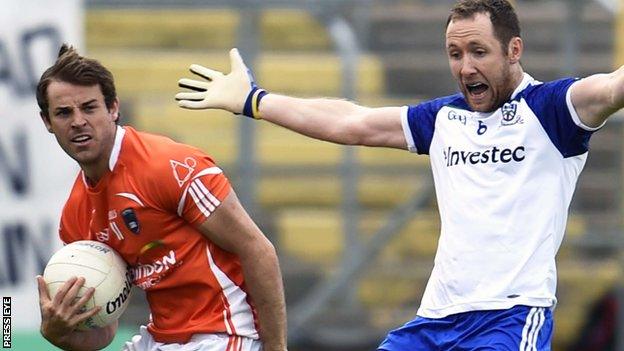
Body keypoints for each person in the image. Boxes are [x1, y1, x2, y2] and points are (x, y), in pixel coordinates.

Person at [174, 0, 624, 349]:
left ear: (514, 50)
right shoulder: (444, 118)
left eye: (478, 51)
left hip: (510, 317)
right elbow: (352, 122)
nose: (465, 67)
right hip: (434, 320)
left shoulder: (552, 109)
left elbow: (610, 88)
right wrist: (255, 100)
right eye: (455, 53)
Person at [34, 44, 287, 351]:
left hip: (224, 335)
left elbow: (258, 250)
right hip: (161, 339)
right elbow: (103, 331)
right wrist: (58, 332)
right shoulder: (76, 214)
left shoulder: (167, 166)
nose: (77, 122)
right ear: (47, 122)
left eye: (89, 108)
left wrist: (276, 348)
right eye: (63, 113)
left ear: (113, 108)